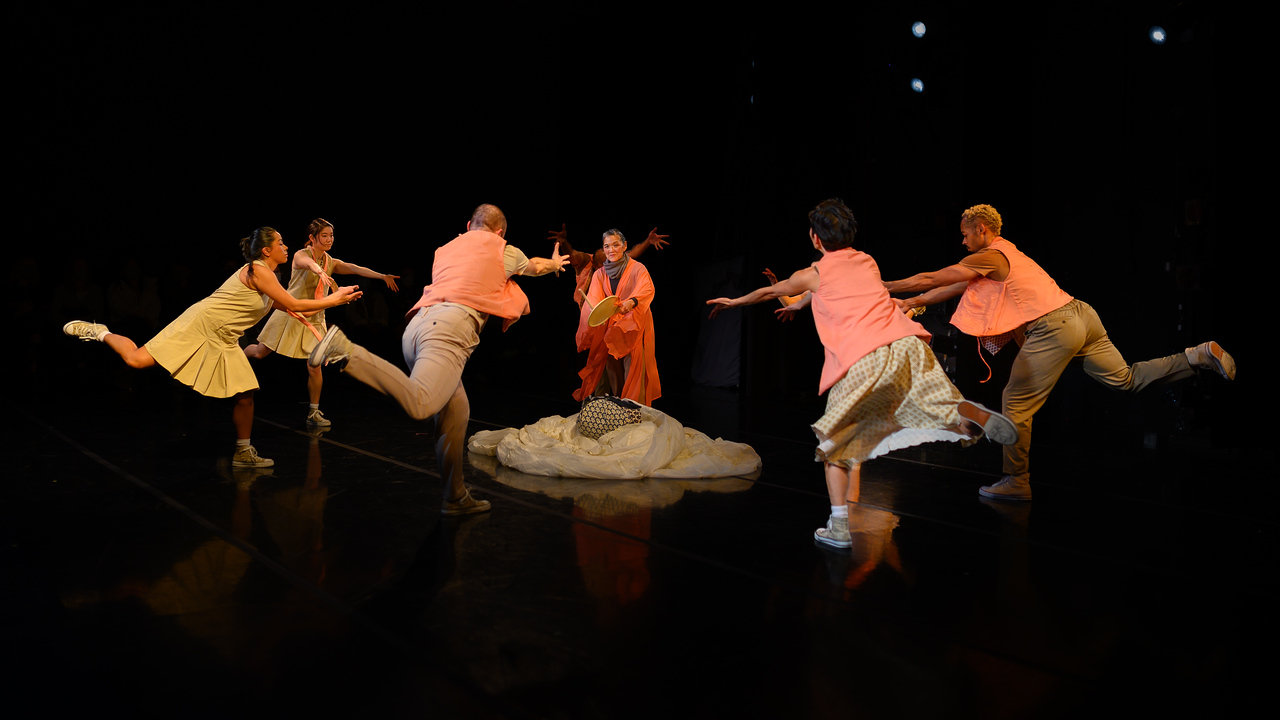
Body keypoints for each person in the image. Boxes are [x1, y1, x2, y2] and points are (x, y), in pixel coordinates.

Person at [707, 199, 1018, 548]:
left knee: (834, 445)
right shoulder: (867, 261)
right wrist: (797, 305)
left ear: (815, 238)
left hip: (862, 357)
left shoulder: (813, 272)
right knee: (936, 407)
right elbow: (829, 292)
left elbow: (770, 291)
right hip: (906, 345)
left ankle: (839, 527)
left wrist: (735, 302)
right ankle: (969, 416)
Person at [883, 203, 1236, 501]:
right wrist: (911, 302)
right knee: (1125, 379)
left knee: (1016, 403)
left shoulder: (992, 254)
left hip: (1054, 326)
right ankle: (1197, 356)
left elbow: (934, 278)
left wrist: (885, 285)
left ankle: (1016, 481)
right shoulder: (1006, 255)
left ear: (981, 228)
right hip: (1082, 315)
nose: (962, 240)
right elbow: (953, 286)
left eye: (965, 234)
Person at [307, 204, 569, 516]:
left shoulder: (445, 249)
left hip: (416, 327)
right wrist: (553, 264)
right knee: (422, 403)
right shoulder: (503, 249)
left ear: (469, 224)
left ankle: (455, 495)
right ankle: (345, 350)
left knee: (457, 410)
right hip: (448, 329)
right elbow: (535, 267)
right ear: (500, 233)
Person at [63, 228, 362, 467]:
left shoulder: (271, 277)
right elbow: (295, 303)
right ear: (266, 250)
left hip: (224, 338)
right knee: (136, 361)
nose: (286, 247)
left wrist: (323, 324)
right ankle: (100, 332)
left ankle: (243, 453)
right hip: (200, 325)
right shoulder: (258, 271)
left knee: (245, 393)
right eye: (281, 243)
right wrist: (335, 300)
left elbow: (292, 310)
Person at [243, 218, 400, 428]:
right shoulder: (301, 255)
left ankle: (314, 411)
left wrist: (381, 276)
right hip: (291, 311)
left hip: (315, 317)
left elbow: (353, 268)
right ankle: (238, 355)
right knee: (260, 352)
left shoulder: (330, 261)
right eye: (324, 236)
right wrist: (320, 272)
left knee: (314, 365)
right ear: (312, 238)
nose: (329, 240)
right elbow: (308, 264)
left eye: (331, 236)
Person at [573, 229, 662, 405]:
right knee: (611, 364)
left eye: (615, 245)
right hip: (611, 324)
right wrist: (595, 313)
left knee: (633, 367)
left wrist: (631, 302)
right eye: (607, 246)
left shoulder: (637, 268)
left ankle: (633, 408)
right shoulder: (600, 274)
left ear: (624, 246)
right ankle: (617, 404)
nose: (611, 250)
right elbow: (594, 299)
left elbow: (647, 290)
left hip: (634, 323)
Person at [549, 224, 669, 308]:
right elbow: (572, 255)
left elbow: (632, 253)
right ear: (596, 266)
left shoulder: (613, 260)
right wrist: (563, 242)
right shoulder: (585, 262)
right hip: (590, 310)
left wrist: (648, 241)